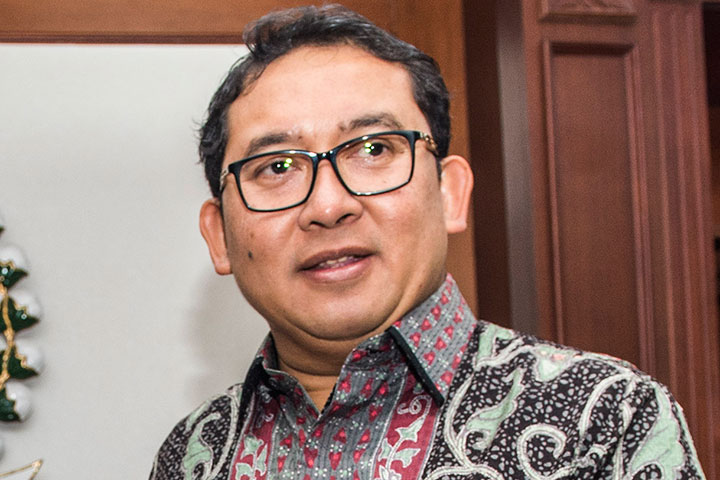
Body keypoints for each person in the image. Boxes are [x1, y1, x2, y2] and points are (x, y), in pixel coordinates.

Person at [150, 5, 705, 479]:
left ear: (450, 194)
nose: (328, 206)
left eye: (373, 149)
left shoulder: (605, 417)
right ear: (220, 236)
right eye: (277, 166)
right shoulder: (193, 454)